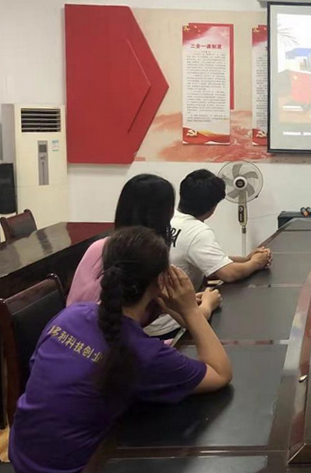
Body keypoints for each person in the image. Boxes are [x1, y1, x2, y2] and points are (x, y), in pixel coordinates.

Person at [9, 227, 233, 473]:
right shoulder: (145, 355)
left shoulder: (70, 316)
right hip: (73, 468)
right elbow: (220, 372)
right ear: (161, 281)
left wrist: (163, 302)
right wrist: (189, 310)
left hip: (22, 455)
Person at [67, 174, 221, 324]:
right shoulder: (146, 258)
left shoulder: (100, 246)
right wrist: (208, 303)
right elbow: (191, 320)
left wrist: (186, 302)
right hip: (109, 335)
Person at [146, 169, 272, 337]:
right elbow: (229, 274)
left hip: (149, 319)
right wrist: (256, 263)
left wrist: (245, 259)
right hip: (171, 325)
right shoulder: (198, 232)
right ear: (213, 207)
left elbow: (207, 259)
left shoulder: (168, 218)